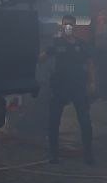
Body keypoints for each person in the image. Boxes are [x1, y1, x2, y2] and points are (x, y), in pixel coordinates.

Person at [40, 15, 95, 164]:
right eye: (65, 25)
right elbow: (42, 58)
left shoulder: (82, 45)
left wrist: (91, 82)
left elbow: (89, 63)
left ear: (74, 26)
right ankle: (53, 155)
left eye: (70, 25)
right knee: (53, 122)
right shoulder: (56, 43)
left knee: (85, 122)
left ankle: (89, 155)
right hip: (60, 87)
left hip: (78, 87)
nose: (68, 27)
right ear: (62, 26)